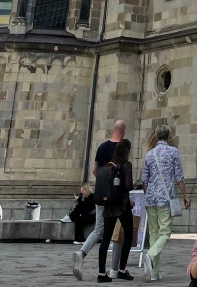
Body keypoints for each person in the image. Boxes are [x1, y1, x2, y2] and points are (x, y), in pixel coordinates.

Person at [74, 120, 126, 280]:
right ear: (123, 131)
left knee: (98, 229)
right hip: (116, 198)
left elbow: (94, 171)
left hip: (100, 194)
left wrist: (104, 184)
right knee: (119, 231)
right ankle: (114, 269)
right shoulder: (122, 148)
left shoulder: (102, 147)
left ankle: (81, 253)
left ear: (113, 130)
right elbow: (123, 174)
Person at [142, 125, 191, 282]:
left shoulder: (149, 154)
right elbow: (179, 177)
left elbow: (144, 180)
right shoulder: (173, 152)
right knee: (164, 233)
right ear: (169, 137)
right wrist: (185, 195)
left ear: (156, 136)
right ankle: (150, 255)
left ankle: (154, 273)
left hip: (150, 199)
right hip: (165, 198)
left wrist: (149, 194)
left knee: (154, 234)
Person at [97, 139, 134, 283]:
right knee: (128, 235)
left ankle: (101, 273)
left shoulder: (110, 164)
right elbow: (128, 186)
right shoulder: (126, 165)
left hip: (109, 206)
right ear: (127, 150)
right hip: (122, 205)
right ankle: (122, 269)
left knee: (106, 239)